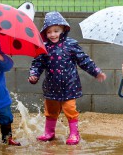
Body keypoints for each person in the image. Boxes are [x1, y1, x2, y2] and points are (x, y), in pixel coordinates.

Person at [28, 11, 106, 145]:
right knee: (50, 110)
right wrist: (34, 74)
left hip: (70, 86)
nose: (52, 34)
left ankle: (74, 133)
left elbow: (84, 60)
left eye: (56, 31)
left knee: (70, 109)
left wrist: (96, 71)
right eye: (49, 32)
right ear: (45, 33)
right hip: (51, 86)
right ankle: (49, 132)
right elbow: (38, 63)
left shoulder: (71, 44)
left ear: (63, 29)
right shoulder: (44, 47)